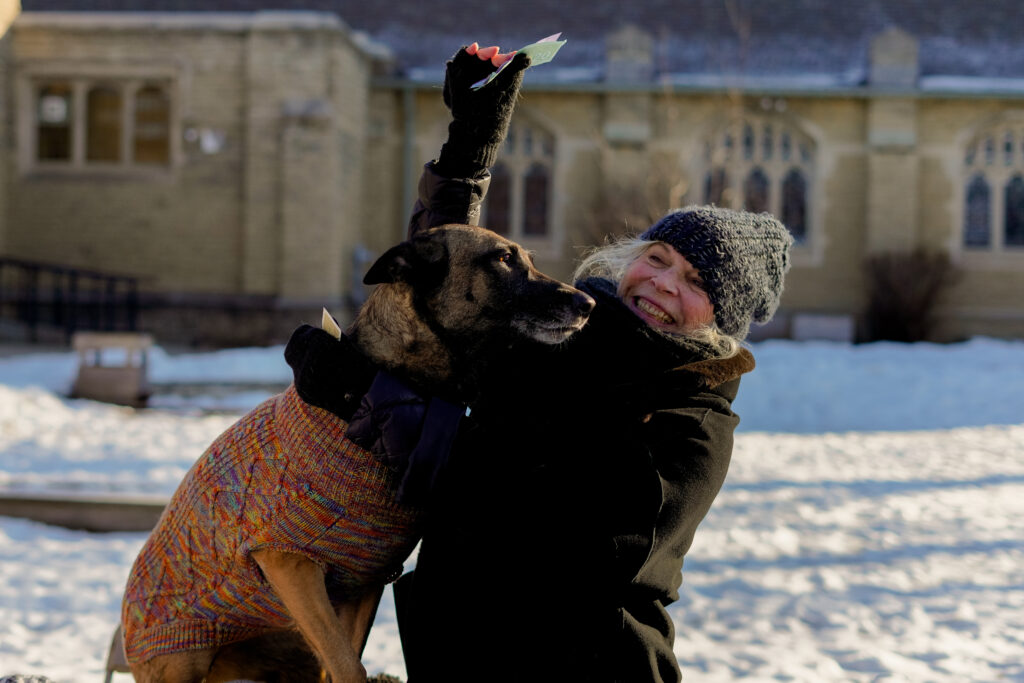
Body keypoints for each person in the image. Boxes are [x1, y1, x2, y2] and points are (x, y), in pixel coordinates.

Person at [288, 43, 793, 682]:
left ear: (722, 321)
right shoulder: (565, 333)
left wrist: (369, 401)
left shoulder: (690, 423)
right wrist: (469, 148)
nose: (664, 284)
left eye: (696, 282)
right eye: (659, 258)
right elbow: (455, 280)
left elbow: (536, 515)